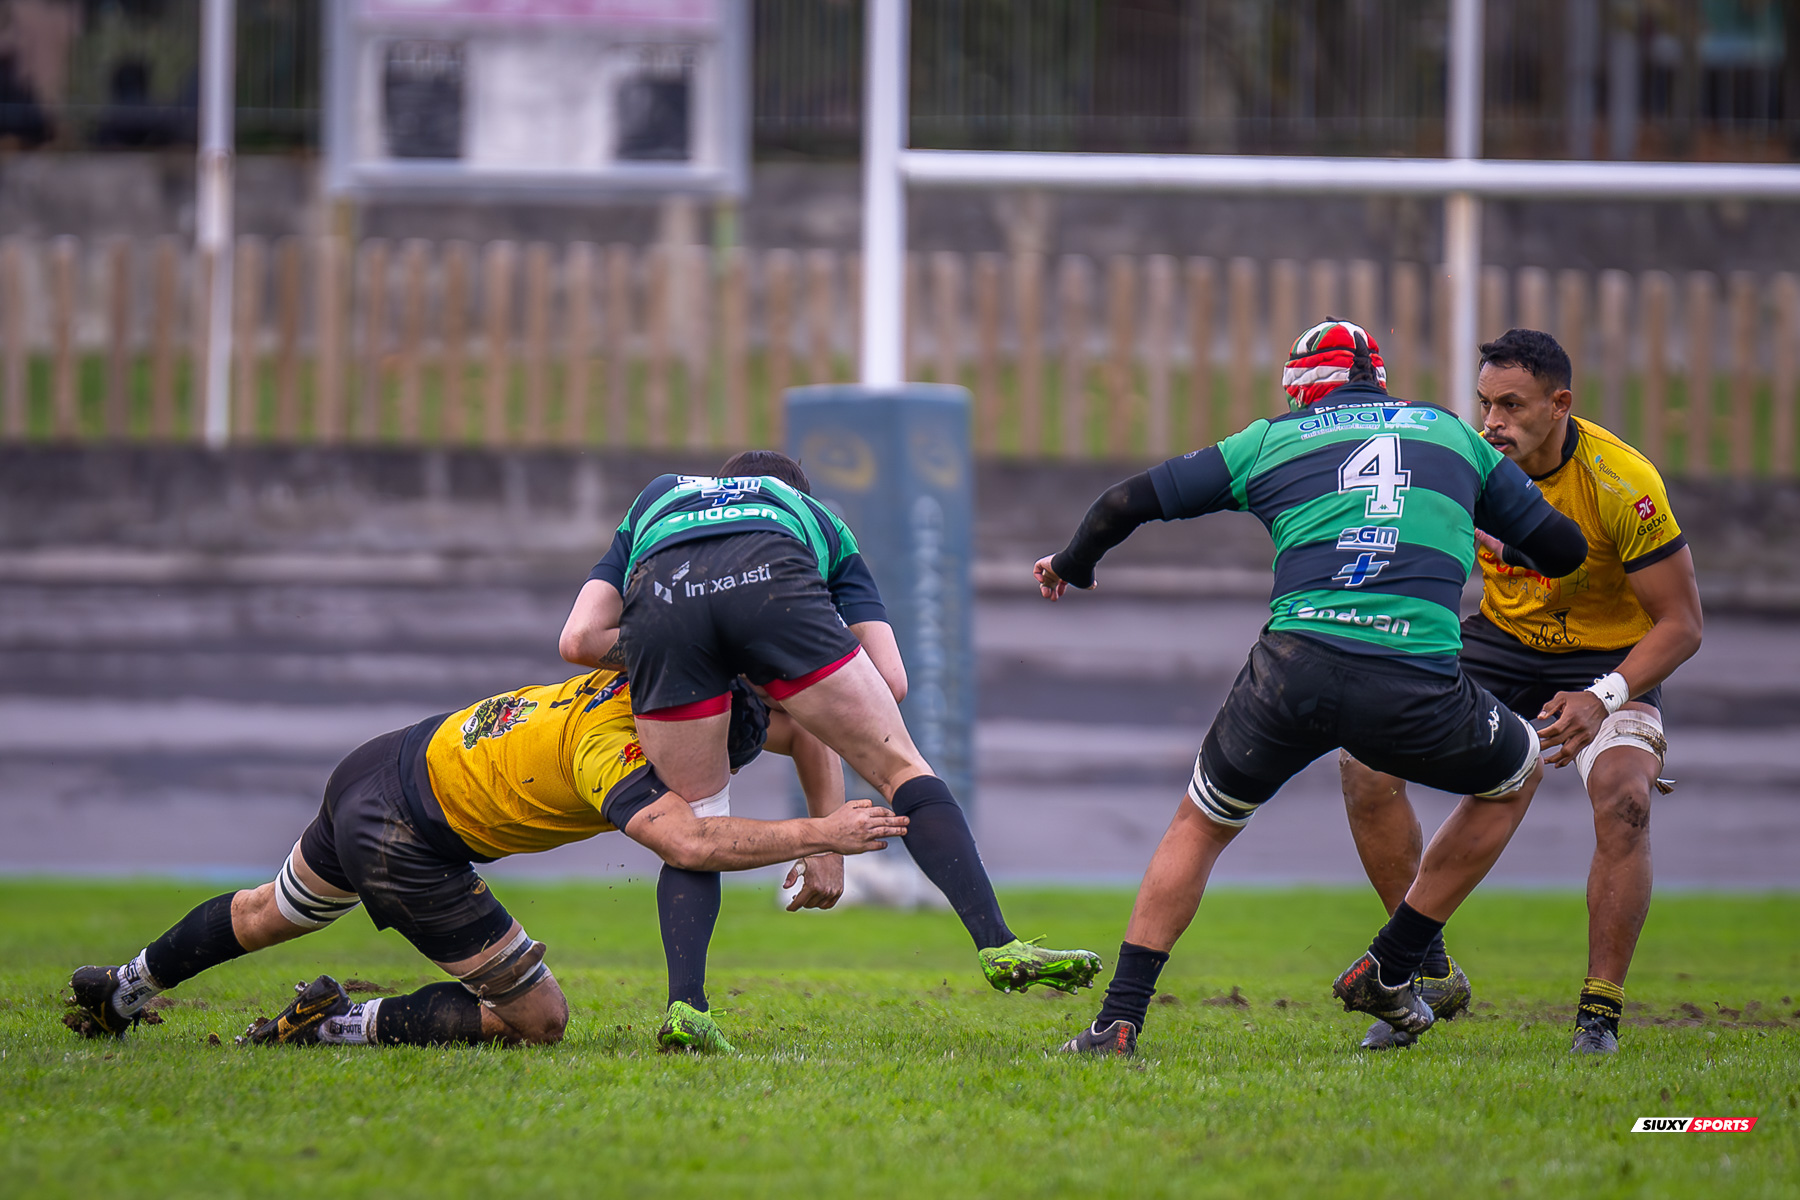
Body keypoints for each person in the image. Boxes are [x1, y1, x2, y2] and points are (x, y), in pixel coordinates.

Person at [1034, 319, 1590, 1057]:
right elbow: (1565, 551)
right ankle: (1398, 960)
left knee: (1200, 825)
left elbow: (1120, 504)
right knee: (1515, 776)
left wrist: (1075, 562)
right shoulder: (1455, 437)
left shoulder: (1271, 439)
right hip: (1413, 675)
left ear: (1301, 389)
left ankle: (1118, 1023)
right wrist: (1483, 532)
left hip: (1295, 666)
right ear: (1381, 381)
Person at [64, 666, 905, 1052]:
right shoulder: (608, 754)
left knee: (265, 913)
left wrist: (825, 810)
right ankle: (336, 1027)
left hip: (380, 763)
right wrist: (823, 835)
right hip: (407, 838)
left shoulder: (657, 682)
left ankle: (124, 988)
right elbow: (688, 843)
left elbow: (802, 724)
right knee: (539, 1019)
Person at [560, 450, 1102, 996]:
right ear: (798, 494)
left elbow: (578, 640)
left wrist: (701, 658)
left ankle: (687, 1010)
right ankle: (998, 944)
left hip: (662, 606)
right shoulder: (816, 519)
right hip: (771, 581)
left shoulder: (658, 495)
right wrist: (779, 670)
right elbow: (891, 681)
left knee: (698, 823)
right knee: (902, 767)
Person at [1342, 328, 1702, 1056]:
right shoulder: (1466, 464)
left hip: (1611, 657)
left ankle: (1597, 1017)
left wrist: (1604, 694)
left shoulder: (1622, 483)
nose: (1491, 422)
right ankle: (1424, 970)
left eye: (1510, 405)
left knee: (1627, 801)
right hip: (1502, 647)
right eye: (1484, 404)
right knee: (1363, 764)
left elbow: (1684, 625)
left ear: (1559, 404)